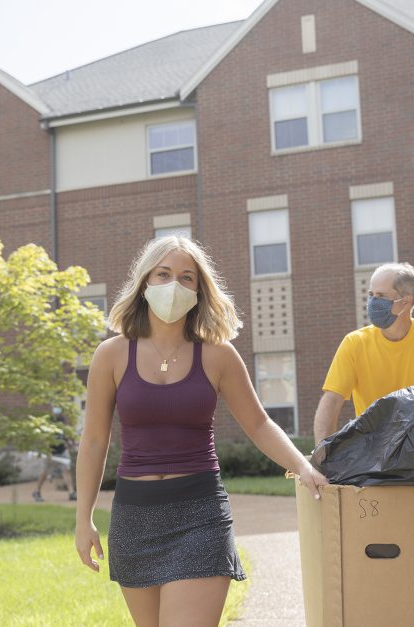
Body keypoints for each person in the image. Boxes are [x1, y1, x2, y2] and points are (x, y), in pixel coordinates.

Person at [74, 235, 327, 626]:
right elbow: (93, 442)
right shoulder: (110, 355)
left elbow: (258, 423)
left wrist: (302, 463)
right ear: (145, 284)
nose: (174, 284)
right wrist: (83, 518)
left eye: (186, 278)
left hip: (200, 515)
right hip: (133, 517)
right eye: (164, 274)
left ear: (199, 290)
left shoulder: (217, 354)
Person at [313, 262, 414, 442]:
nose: (373, 302)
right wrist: (321, 458)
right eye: (371, 295)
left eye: (381, 295)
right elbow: (331, 401)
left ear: (405, 302)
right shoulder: (355, 343)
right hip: (374, 453)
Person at [33, 417, 76, 502]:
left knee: (66, 471)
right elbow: (44, 441)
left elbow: (66, 439)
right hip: (51, 453)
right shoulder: (49, 431)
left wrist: (69, 443)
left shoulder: (64, 430)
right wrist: (47, 452)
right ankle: (36, 491)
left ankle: (71, 493)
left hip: (62, 451)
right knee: (45, 472)